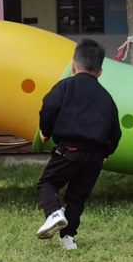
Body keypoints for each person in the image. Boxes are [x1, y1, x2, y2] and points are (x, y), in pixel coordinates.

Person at [34, 39, 123, 251]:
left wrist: (46, 131)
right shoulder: (106, 97)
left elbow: (49, 108)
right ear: (100, 72)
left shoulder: (64, 87)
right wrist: (106, 152)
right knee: (77, 197)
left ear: (74, 66)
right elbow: (115, 130)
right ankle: (68, 238)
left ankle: (54, 213)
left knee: (48, 183)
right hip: (95, 156)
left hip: (70, 149)